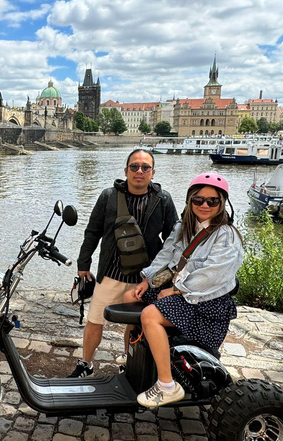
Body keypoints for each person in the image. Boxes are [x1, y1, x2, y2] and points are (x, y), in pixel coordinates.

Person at [125, 172, 243, 407]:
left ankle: (167, 386)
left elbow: (213, 275)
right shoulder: (184, 226)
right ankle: (134, 359)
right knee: (130, 296)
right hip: (180, 289)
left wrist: (177, 290)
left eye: (213, 201)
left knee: (150, 315)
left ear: (222, 203)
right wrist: (148, 279)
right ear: (190, 200)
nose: (205, 205)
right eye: (199, 200)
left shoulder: (226, 236)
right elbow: (166, 255)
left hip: (204, 300)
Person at [70, 149, 179, 378]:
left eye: (145, 167)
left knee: (135, 323)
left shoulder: (163, 200)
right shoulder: (108, 197)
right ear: (126, 170)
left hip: (145, 277)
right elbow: (92, 232)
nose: (139, 171)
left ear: (153, 173)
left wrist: (172, 275)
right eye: (134, 166)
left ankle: (130, 362)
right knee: (95, 320)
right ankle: (86, 363)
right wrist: (83, 264)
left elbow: (174, 240)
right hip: (111, 271)